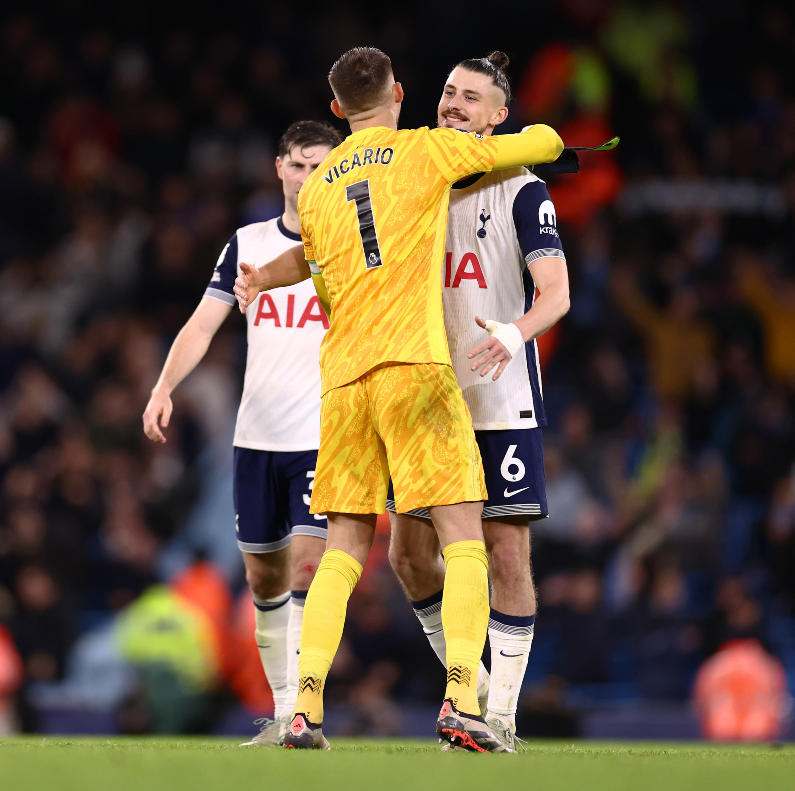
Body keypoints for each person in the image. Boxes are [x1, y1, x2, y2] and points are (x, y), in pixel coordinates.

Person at [234, 46, 563, 752]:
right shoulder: (423, 152)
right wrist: (556, 140)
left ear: (335, 110)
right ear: (402, 93)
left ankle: (305, 708)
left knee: (344, 550)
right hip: (416, 367)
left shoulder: (318, 188)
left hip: (344, 383)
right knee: (466, 538)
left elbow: (319, 273)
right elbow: (535, 143)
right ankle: (462, 702)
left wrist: (264, 276)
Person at [385, 52, 571, 750]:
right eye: (448, 93)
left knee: (506, 554)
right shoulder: (414, 183)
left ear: (499, 116)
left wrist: (512, 333)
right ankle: (481, 688)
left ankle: (502, 715)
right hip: (426, 394)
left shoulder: (523, 190)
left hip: (499, 396)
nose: (454, 105)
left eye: (472, 98)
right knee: (408, 556)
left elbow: (557, 293)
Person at [142, 120, 342, 745]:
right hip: (255, 438)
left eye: (323, 167)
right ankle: (283, 713)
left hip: (321, 431)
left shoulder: (350, 245)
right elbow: (203, 325)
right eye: (301, 165)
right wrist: (163, 386)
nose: (310, 178)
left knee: (309, 569)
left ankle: (303, 716)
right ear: (279, 167)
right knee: (264, 580)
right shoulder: (247, 243)